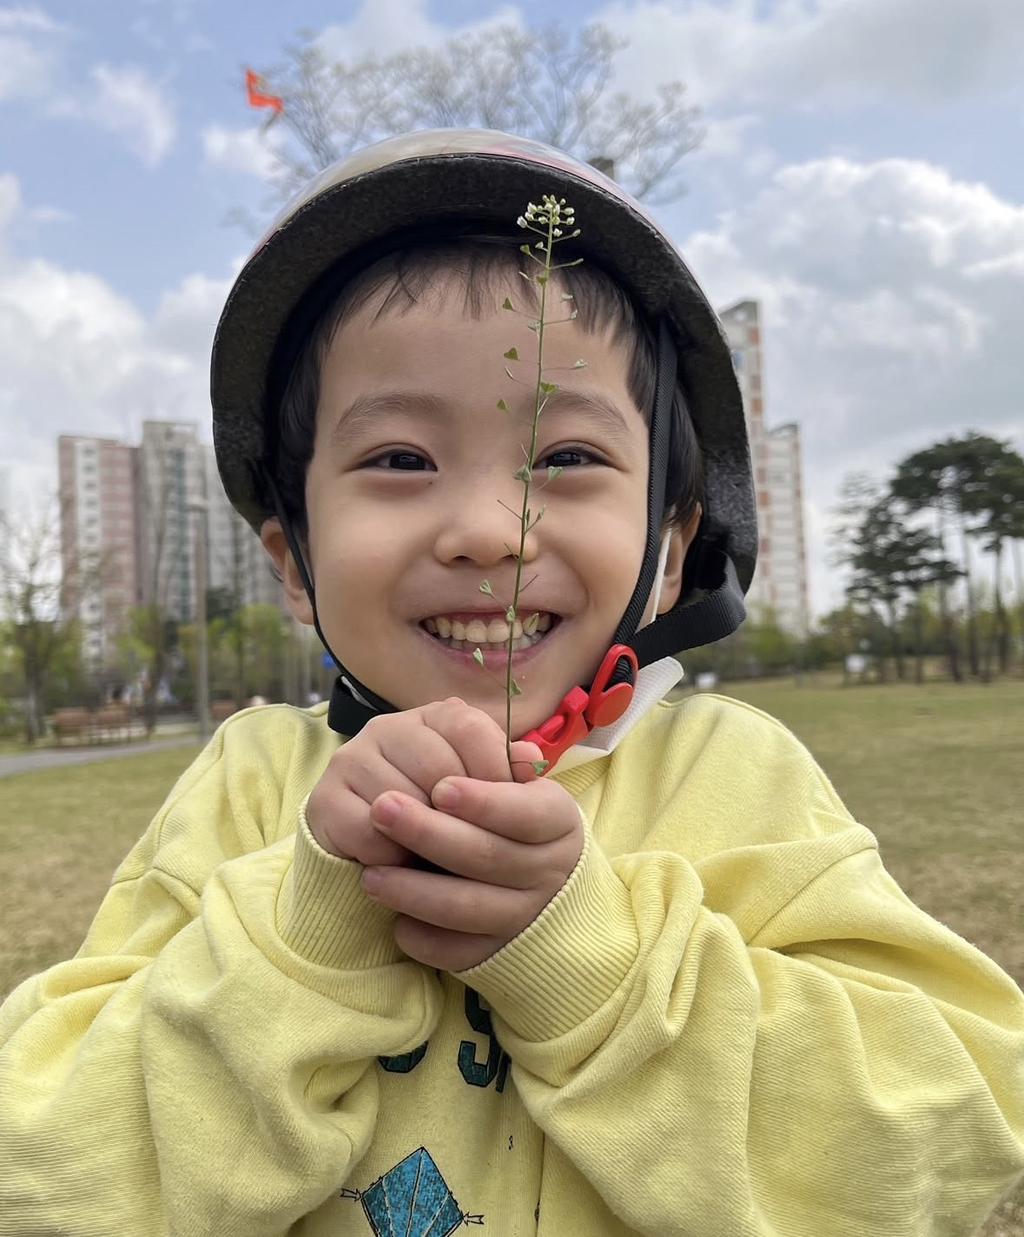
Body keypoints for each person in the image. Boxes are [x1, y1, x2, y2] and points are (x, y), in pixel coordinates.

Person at [1, 130, 1021, 1237]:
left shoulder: (737, 778)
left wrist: (597, 966)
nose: (489, 529)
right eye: (398, 459)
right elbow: (54, 1174)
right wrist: (307, 931)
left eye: (567, 458)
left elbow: (942, 1143)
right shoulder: (246, 786)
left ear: (670, 551)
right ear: (293, 561)